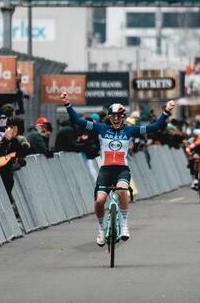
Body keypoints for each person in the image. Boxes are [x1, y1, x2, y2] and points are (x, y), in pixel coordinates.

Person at [61, 92, 175, 245]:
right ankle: (101, 229)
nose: (115, 118)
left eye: (119, 116)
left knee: (122, 191)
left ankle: (124, 226)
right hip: (106, 170)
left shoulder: (130, 130)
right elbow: (78, 121)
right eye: (113, 116)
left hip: (122, 169)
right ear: (109, 117)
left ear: (123, 117)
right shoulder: (101, 128)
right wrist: (68, 104)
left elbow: (154, 127)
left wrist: (166, 111)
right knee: (100, 201)